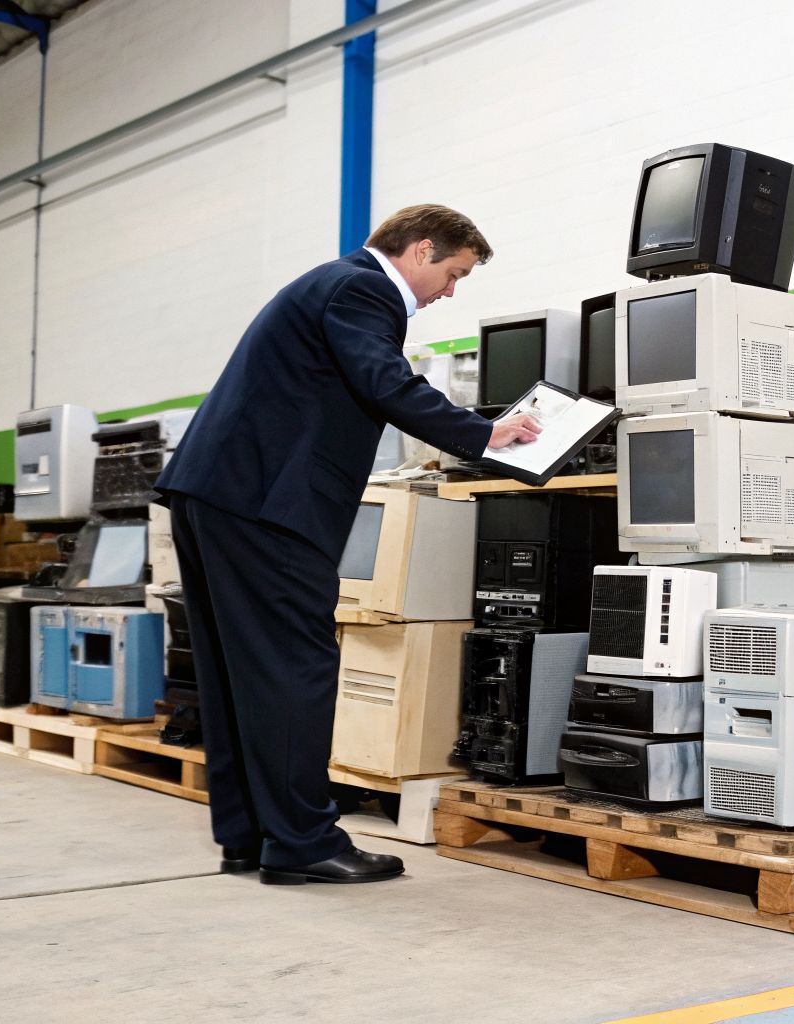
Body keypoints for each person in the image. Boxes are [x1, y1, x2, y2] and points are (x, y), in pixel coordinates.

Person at [154, 205, 540, 885]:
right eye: (453, 274)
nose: (450, 291)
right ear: (420, 251)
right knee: (295, 668)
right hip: (266, 504)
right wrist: (485, 436)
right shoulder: (362, 289)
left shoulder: (331, 285)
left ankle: (251, 837)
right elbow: (384, 382)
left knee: (236, 674)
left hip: (220, 492)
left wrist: (471, 425)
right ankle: (302, 844)